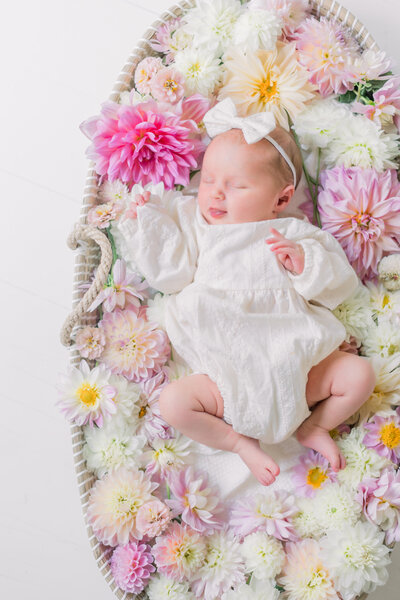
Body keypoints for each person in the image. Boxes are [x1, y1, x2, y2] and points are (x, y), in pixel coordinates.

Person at [114, 98, 376, 486]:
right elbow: (170, 273)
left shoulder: (294, 232)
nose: (216, 194)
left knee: (359, 375)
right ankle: (238, 443)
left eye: (235, 185)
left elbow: (340, 285)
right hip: (226, 372)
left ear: (282, 199)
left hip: (295, 365)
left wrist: (305, 264)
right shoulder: (199, 224)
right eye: (208, 181)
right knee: (173, 403)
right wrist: (145, 222)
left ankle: (315, 426)